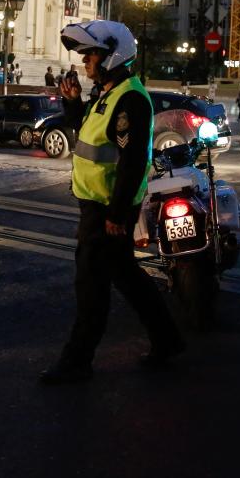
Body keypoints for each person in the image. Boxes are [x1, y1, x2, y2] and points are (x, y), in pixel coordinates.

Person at [41, 20, 184, 385]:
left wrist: (118, 214)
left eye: (91, 54)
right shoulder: (108, 93)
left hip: (107, 209)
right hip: (99, 205)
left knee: (90, 285)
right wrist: (73, 103)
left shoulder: (130, 98)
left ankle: (77, 361)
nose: (85, 61)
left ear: (113, 55)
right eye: (85, 55)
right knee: (127, 276)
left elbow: (134, 160)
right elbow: (89, 137)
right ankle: (167, 341)